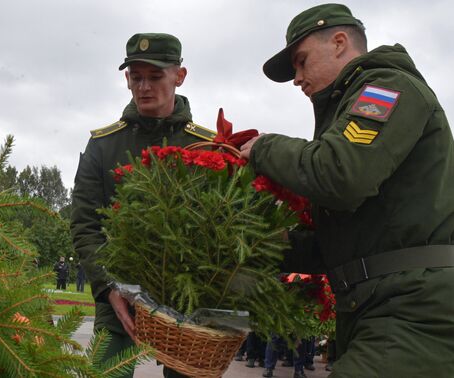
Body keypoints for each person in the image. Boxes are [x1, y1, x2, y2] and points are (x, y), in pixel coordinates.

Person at [240, 3, 454, 377]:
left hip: (413, 310)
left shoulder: (388, 88)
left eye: (302, 61)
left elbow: (340, 174)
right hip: (376, 306)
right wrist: (255, 244)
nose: (297, 78)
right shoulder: (348, 111)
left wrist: (263, 147)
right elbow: (338, 247)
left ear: (339, 42)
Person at [70, 32, 217, 378]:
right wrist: (108, 289)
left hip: (187, 301)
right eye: (136, 77)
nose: (144, 87)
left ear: (179, 76)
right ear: (126, 79)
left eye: (155, 76)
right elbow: (85, 224)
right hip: (117, 295)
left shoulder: (208, 149)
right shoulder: (103, 146)